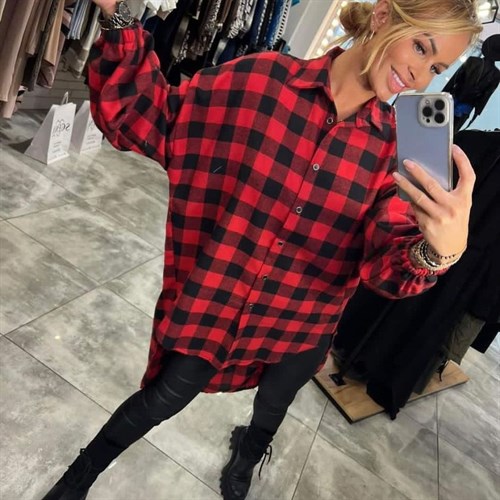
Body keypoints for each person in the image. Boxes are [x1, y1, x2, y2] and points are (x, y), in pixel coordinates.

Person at [43, 0, 481, 499]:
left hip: (304, 321)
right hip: (219, 302)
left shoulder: (394, 153)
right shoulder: (264, 81)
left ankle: (247, 454)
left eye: (437, 68)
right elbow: (151, 118)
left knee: (274, 404)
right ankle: (80, 477)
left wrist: (436, 253)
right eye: (420, 47)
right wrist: (119, 16)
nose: (421, 76)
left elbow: (385, 264)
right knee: (163, 396)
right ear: (383, 16)